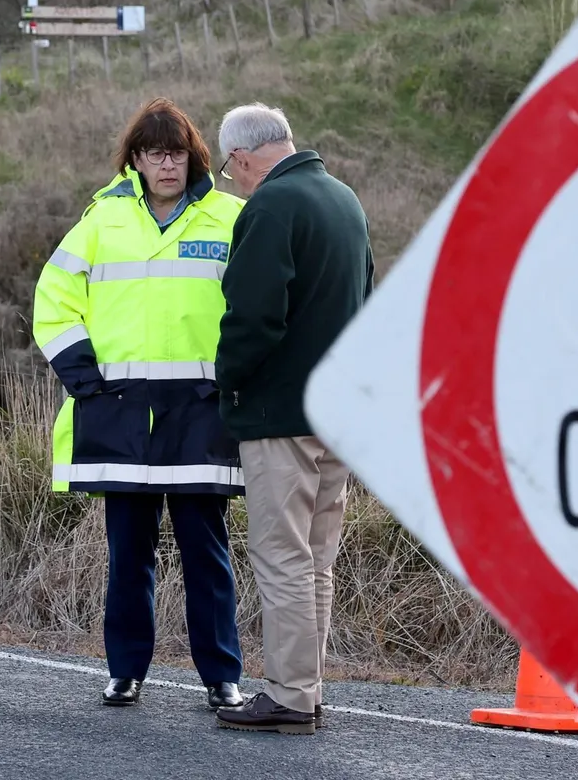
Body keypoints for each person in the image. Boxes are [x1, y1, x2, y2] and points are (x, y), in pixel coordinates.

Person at [31, 97, 248, 712]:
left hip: (201, 412)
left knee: (206, 553)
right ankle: (125, 669)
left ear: (193, 157)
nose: (167, 165)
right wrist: (86, 380)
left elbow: (254, 309)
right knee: (129, 554)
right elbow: (53, 300)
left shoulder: (229, 219)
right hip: (121, 414)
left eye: (177, 153)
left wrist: (234, 378)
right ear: (136, 160)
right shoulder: (101, 222)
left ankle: (220, 677)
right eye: (155, 153)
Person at [211, 103, 375, 734]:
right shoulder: (343, 199)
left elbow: (253, 316)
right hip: (337, 410)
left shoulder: (272, 207)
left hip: (281, 412)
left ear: (243, 157)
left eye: (232, 172)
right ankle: (307, 685)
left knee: (281, 556)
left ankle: (287, 694)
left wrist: (227, 383)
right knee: (318, 557)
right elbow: (365, 293)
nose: (234, 181)